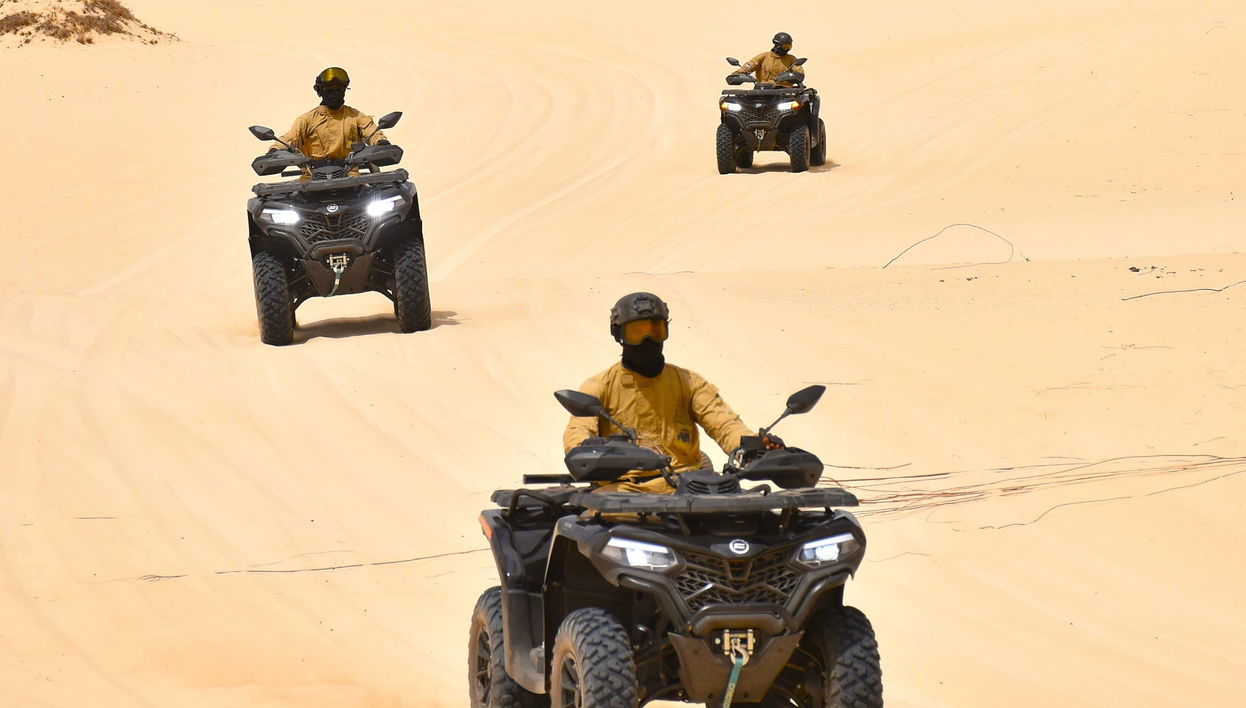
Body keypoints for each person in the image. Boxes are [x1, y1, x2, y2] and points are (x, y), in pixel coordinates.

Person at [563, 292, 782, 494]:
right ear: (619, 335)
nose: (647, 340)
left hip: (690, 487)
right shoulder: (600, 386)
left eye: (655, 331)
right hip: (626, 491)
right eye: (637, 333)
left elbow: (724, 424)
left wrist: (755, 445)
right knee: (595, 526)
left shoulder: (688, 382)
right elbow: (577, 432)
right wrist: (587, 447)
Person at [268, 67, 390, 177]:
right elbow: (289, 139)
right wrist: (275, 150)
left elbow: (372, 132)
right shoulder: (306, 120)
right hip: (311, 179)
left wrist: (381, 142)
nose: (334, 94)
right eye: (329, 90)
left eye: (338, 89)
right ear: (320, 91)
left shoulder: (356, 116)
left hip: (350, 178)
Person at [730, 32, 805, 86]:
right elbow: (750, 65)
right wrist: (738, 73)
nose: (786, 49)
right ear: (777, 45)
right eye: (785, 46)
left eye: (789, 47)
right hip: (763, 90)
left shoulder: (791, 59)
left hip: (784, 91)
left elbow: (798, 70)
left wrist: (796, 75)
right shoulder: (764, 56)